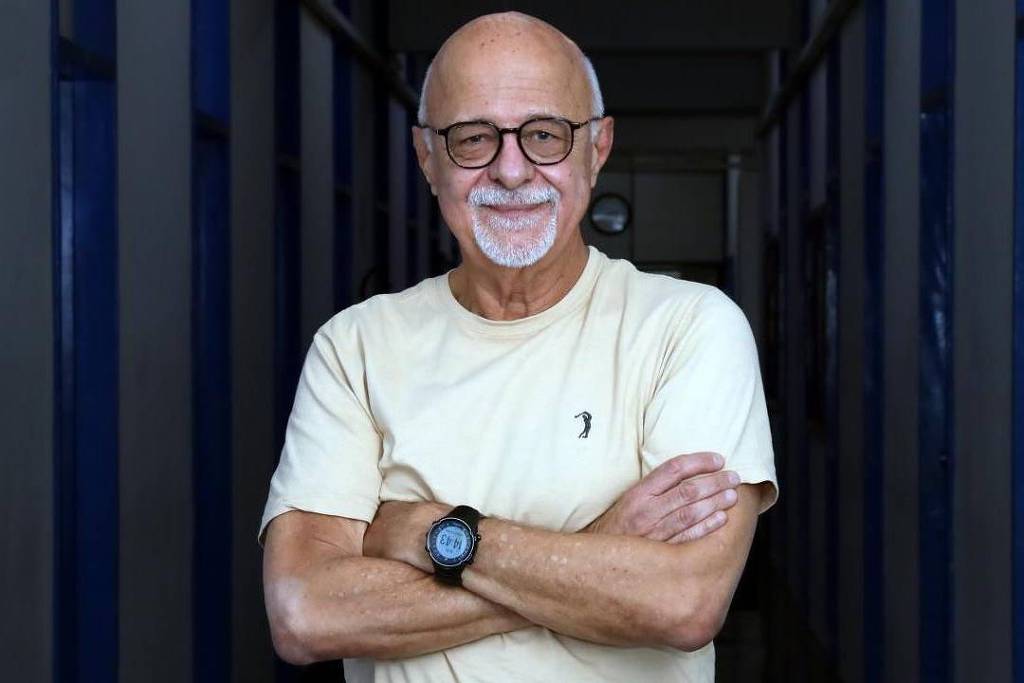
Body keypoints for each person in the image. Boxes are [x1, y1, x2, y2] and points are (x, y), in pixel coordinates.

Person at [260, 11, 778, 682]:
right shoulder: (354, 348)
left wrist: (424, 531)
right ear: (427, 158)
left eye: (544, 135)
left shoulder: (689, 329)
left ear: (597, 147)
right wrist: (599, 551)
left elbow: (683, 602)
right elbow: (304, 613)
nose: (510, 170)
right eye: (473, 138)